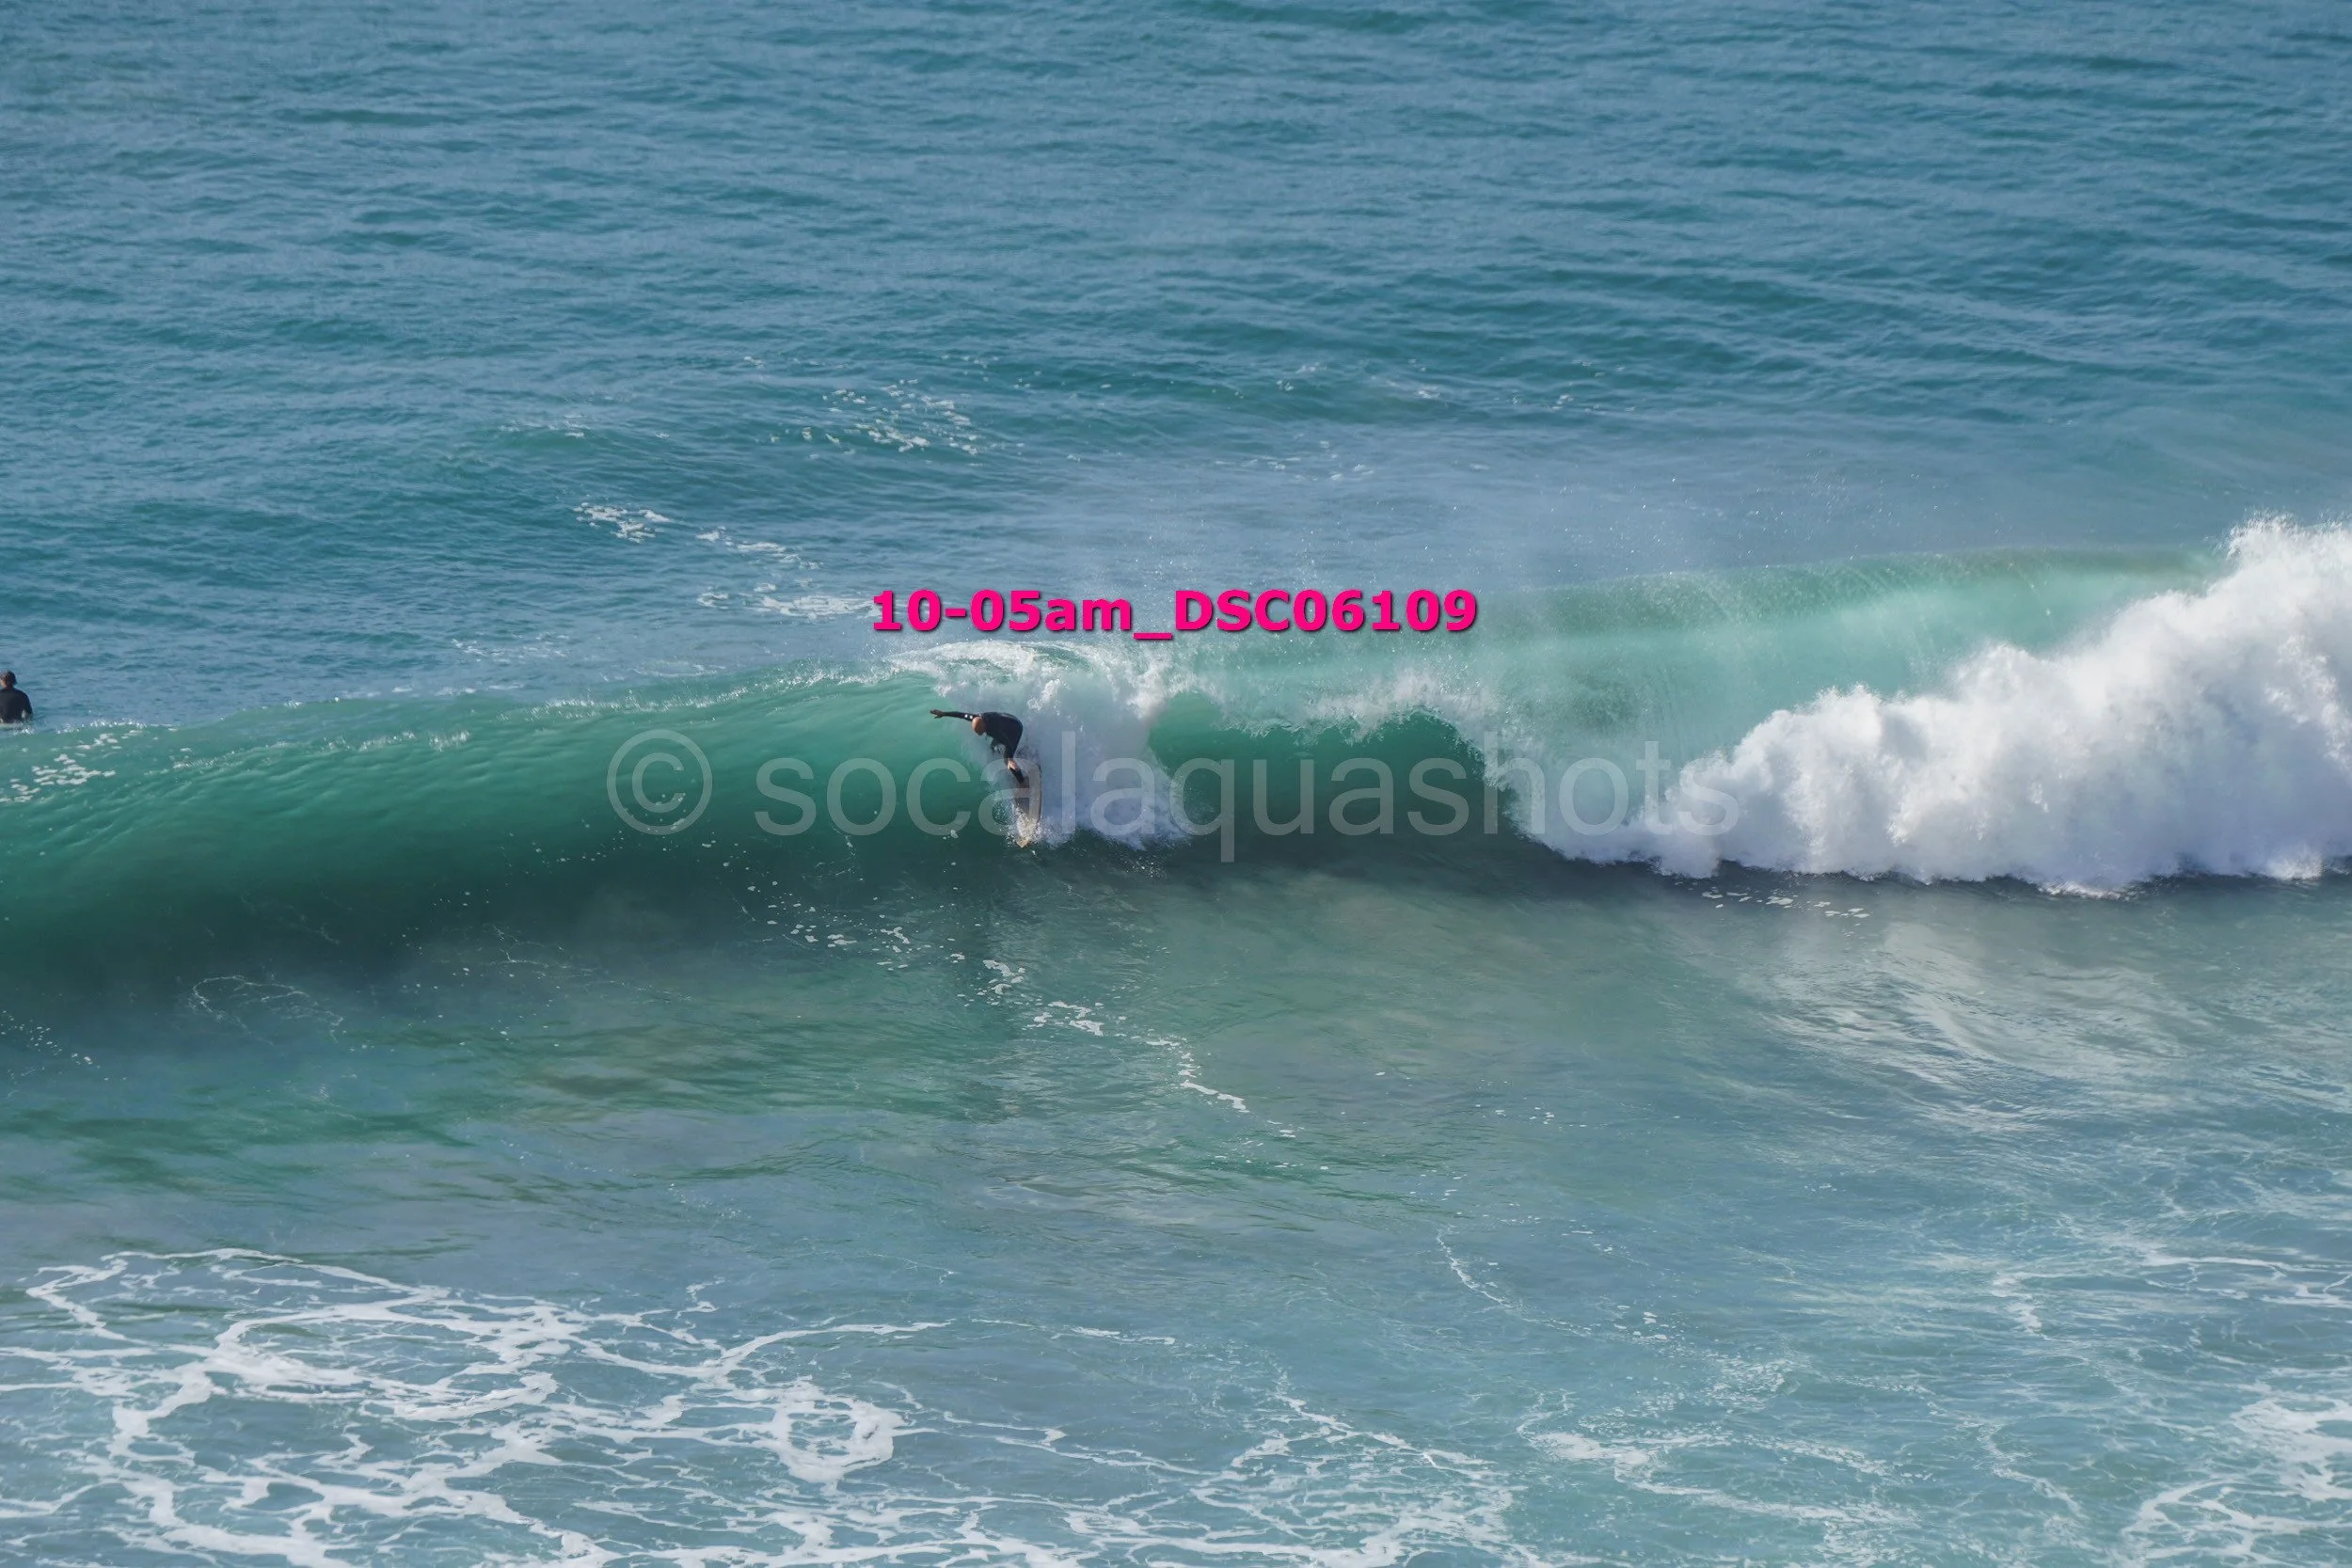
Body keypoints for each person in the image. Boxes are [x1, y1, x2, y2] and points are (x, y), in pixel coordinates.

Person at [930, 708, 1027, 787]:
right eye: (976, 731)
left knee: (1006, 760)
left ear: (985, 726)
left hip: (1016, 728)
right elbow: (960, 714)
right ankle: (1013, 755)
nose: (977, 734)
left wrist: (1009, 758)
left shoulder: (995, 730)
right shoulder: (975, 718)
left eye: (979, 731)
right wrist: (943, 713)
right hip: (1008, 720)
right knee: (992, 746)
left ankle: (1023, 783)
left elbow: (1007, 742)